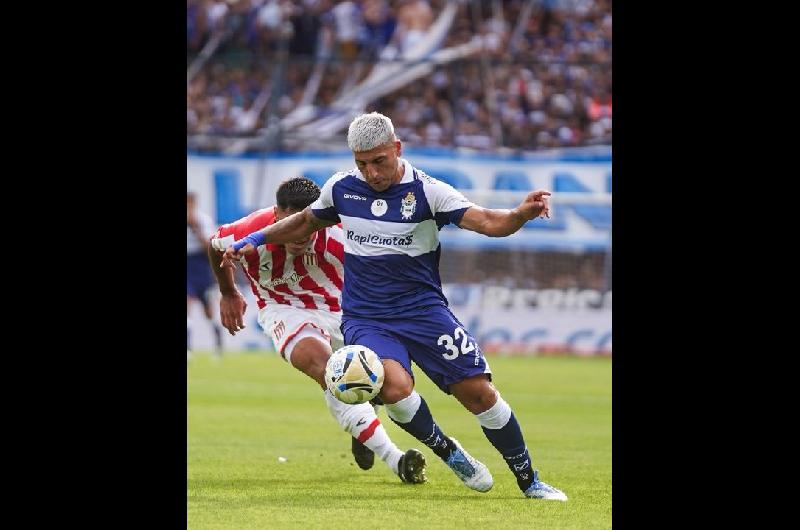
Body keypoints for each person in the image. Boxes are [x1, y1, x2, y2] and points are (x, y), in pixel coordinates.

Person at [221, 112, 568, 501]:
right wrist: (253, 239)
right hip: (366, 318)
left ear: (396, 149)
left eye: (378, 161)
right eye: (361, 163)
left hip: (424, 312)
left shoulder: (428, 192)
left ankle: (530, 481)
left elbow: (487, 221)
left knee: (480, 394)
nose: (371, 172)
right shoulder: (342, 189)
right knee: (394, 389)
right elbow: (302, 223)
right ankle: (448, 451)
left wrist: (520, 214)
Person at [207, 176, 427, 484]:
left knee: (386, 381)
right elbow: (215, 246)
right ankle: (396, 459)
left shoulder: (344, 234)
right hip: (283, 309)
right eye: (292, 222)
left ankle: (364, 416)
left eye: (307, 223)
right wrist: (229, 291)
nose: (300, 233)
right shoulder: (248, 232)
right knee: (327, 371)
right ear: (276, 214)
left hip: (341, 309)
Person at [187, 191, 223, 358]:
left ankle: (217, 341)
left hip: (201, 267)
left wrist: (196, 228)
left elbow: (209, 248)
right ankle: (188, 348)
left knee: (208, 311)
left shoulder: (203, 220)